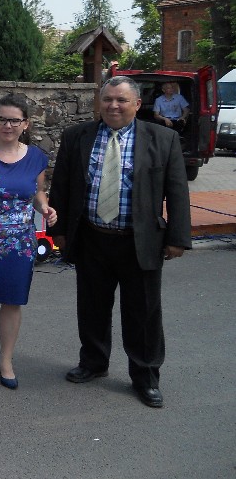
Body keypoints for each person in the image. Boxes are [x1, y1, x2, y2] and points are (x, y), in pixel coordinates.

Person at [48, 76, 191, 409]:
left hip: (139, 241)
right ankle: (93, 362)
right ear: (99, 102)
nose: (113, 106)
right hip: (92, 238)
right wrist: (60, 231)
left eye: (121, 100)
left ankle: (145, 376)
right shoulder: (76, 136)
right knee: (92, 307)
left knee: (143, 313)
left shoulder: (163, 138)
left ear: (137, 104)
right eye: (108, 99)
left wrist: (177, 238)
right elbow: (62, 184)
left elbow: (177, 191)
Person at [0, 94, 56, 389]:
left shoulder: (36, 157)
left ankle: (6, 358)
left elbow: (37, 192)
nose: (8, 125)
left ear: (25, 124)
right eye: (2, 119)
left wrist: (45, 207)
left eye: (14, 120)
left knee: (13, 300)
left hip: (20, 241)